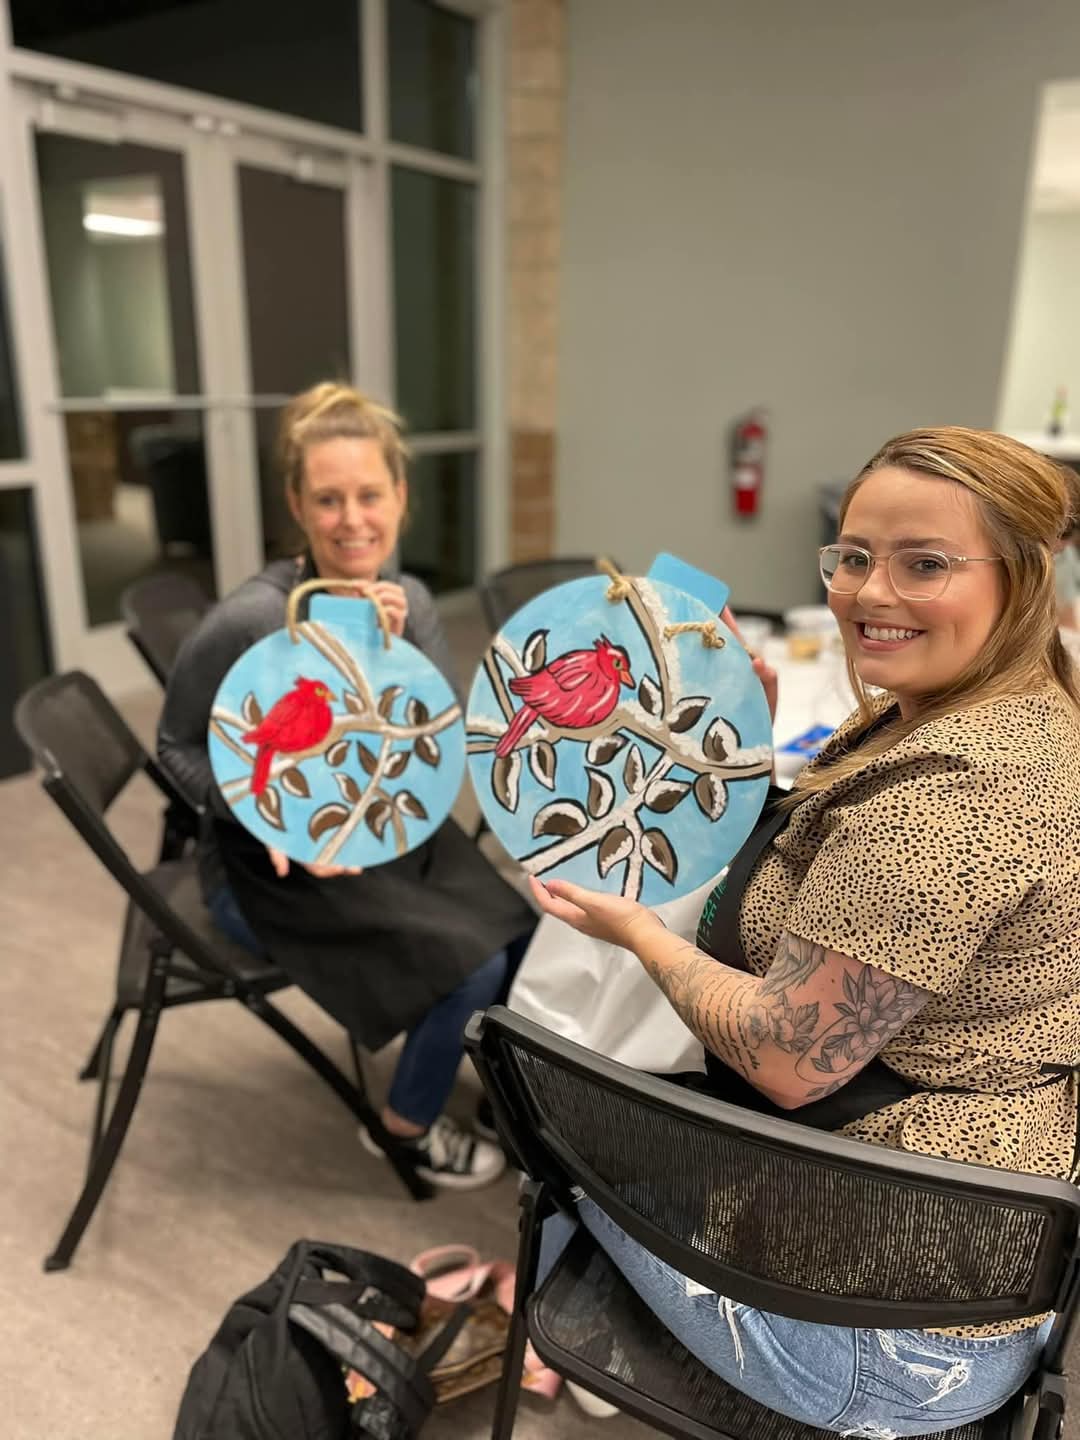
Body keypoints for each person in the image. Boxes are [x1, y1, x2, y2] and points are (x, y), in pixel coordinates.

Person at [529, 427, 1080, 1434]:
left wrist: (641, 935)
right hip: (968, 1228)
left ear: (1023, 578)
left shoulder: (949, 807)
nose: (870, 592)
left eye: (924, 564)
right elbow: (828, 856)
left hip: (892, 1336)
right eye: (854, 556)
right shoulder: (990, 708)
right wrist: (752, 733)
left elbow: (790, 1062)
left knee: (555, 1137)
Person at [159, 382, 535, 1190]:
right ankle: (404, 1127)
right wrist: (268, 819)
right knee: (464, 966)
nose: (352, 519)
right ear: (298, 506)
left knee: (521, 929)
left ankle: (502, 1098)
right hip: (266, 862)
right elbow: (175, 747)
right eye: (328, 499)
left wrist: (394, 657)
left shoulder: (410, 600)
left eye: (369, 495)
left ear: (400, 496)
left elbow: (436, 738)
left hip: (379, 824)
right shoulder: (252, 620)